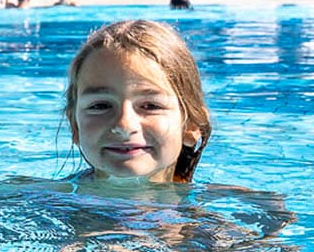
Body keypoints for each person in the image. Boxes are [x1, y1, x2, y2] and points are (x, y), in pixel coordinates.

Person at [65, 18, 210, 184]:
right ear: (74, 125)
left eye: (150, 106)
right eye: (100, 106)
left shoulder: (231, 205)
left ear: (191, 125)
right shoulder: (37, 199)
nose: (124, 126)